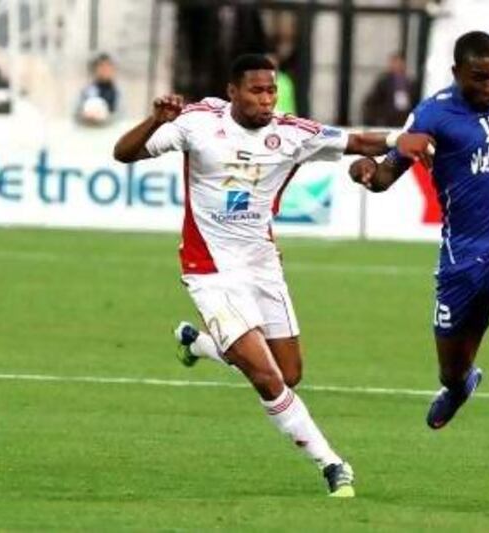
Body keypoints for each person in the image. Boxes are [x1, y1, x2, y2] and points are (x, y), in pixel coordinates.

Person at [112, 53, 431, 497]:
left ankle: (200, 343)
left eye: (271, 91)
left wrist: (406, 138)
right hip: (210, 270)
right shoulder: (196, 123)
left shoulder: (292, 133)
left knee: (289, 373)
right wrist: (154, 121)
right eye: (256, 91)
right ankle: (332, 464)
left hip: (262, 267)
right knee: (267, 379)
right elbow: (123, 154)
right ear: (233, 92)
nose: (266, 100)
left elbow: (358, 141)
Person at [349, 31, 489, 443]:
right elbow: (386, 174)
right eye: (479, 77)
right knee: (451, 370)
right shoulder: (432, 116)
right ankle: (460, 386)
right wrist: (366, 170)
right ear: (457, 73)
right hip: (462, 258)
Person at [361, 52, 415, 127]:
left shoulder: (409, 82)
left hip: (403, 121)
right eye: (395, 63)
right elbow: (371, 102)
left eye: (400, 63)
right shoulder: (383, 81)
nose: (398, 66)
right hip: (387, 122)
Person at [77, 53, 119, 126]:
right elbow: (76, 115)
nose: (105, 69)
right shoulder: (87, 91)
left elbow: (121, 117)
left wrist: (106, 118)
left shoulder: (118, 93)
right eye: (101, 66)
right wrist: (85, 117)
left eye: (108, 66)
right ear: (95, 69)